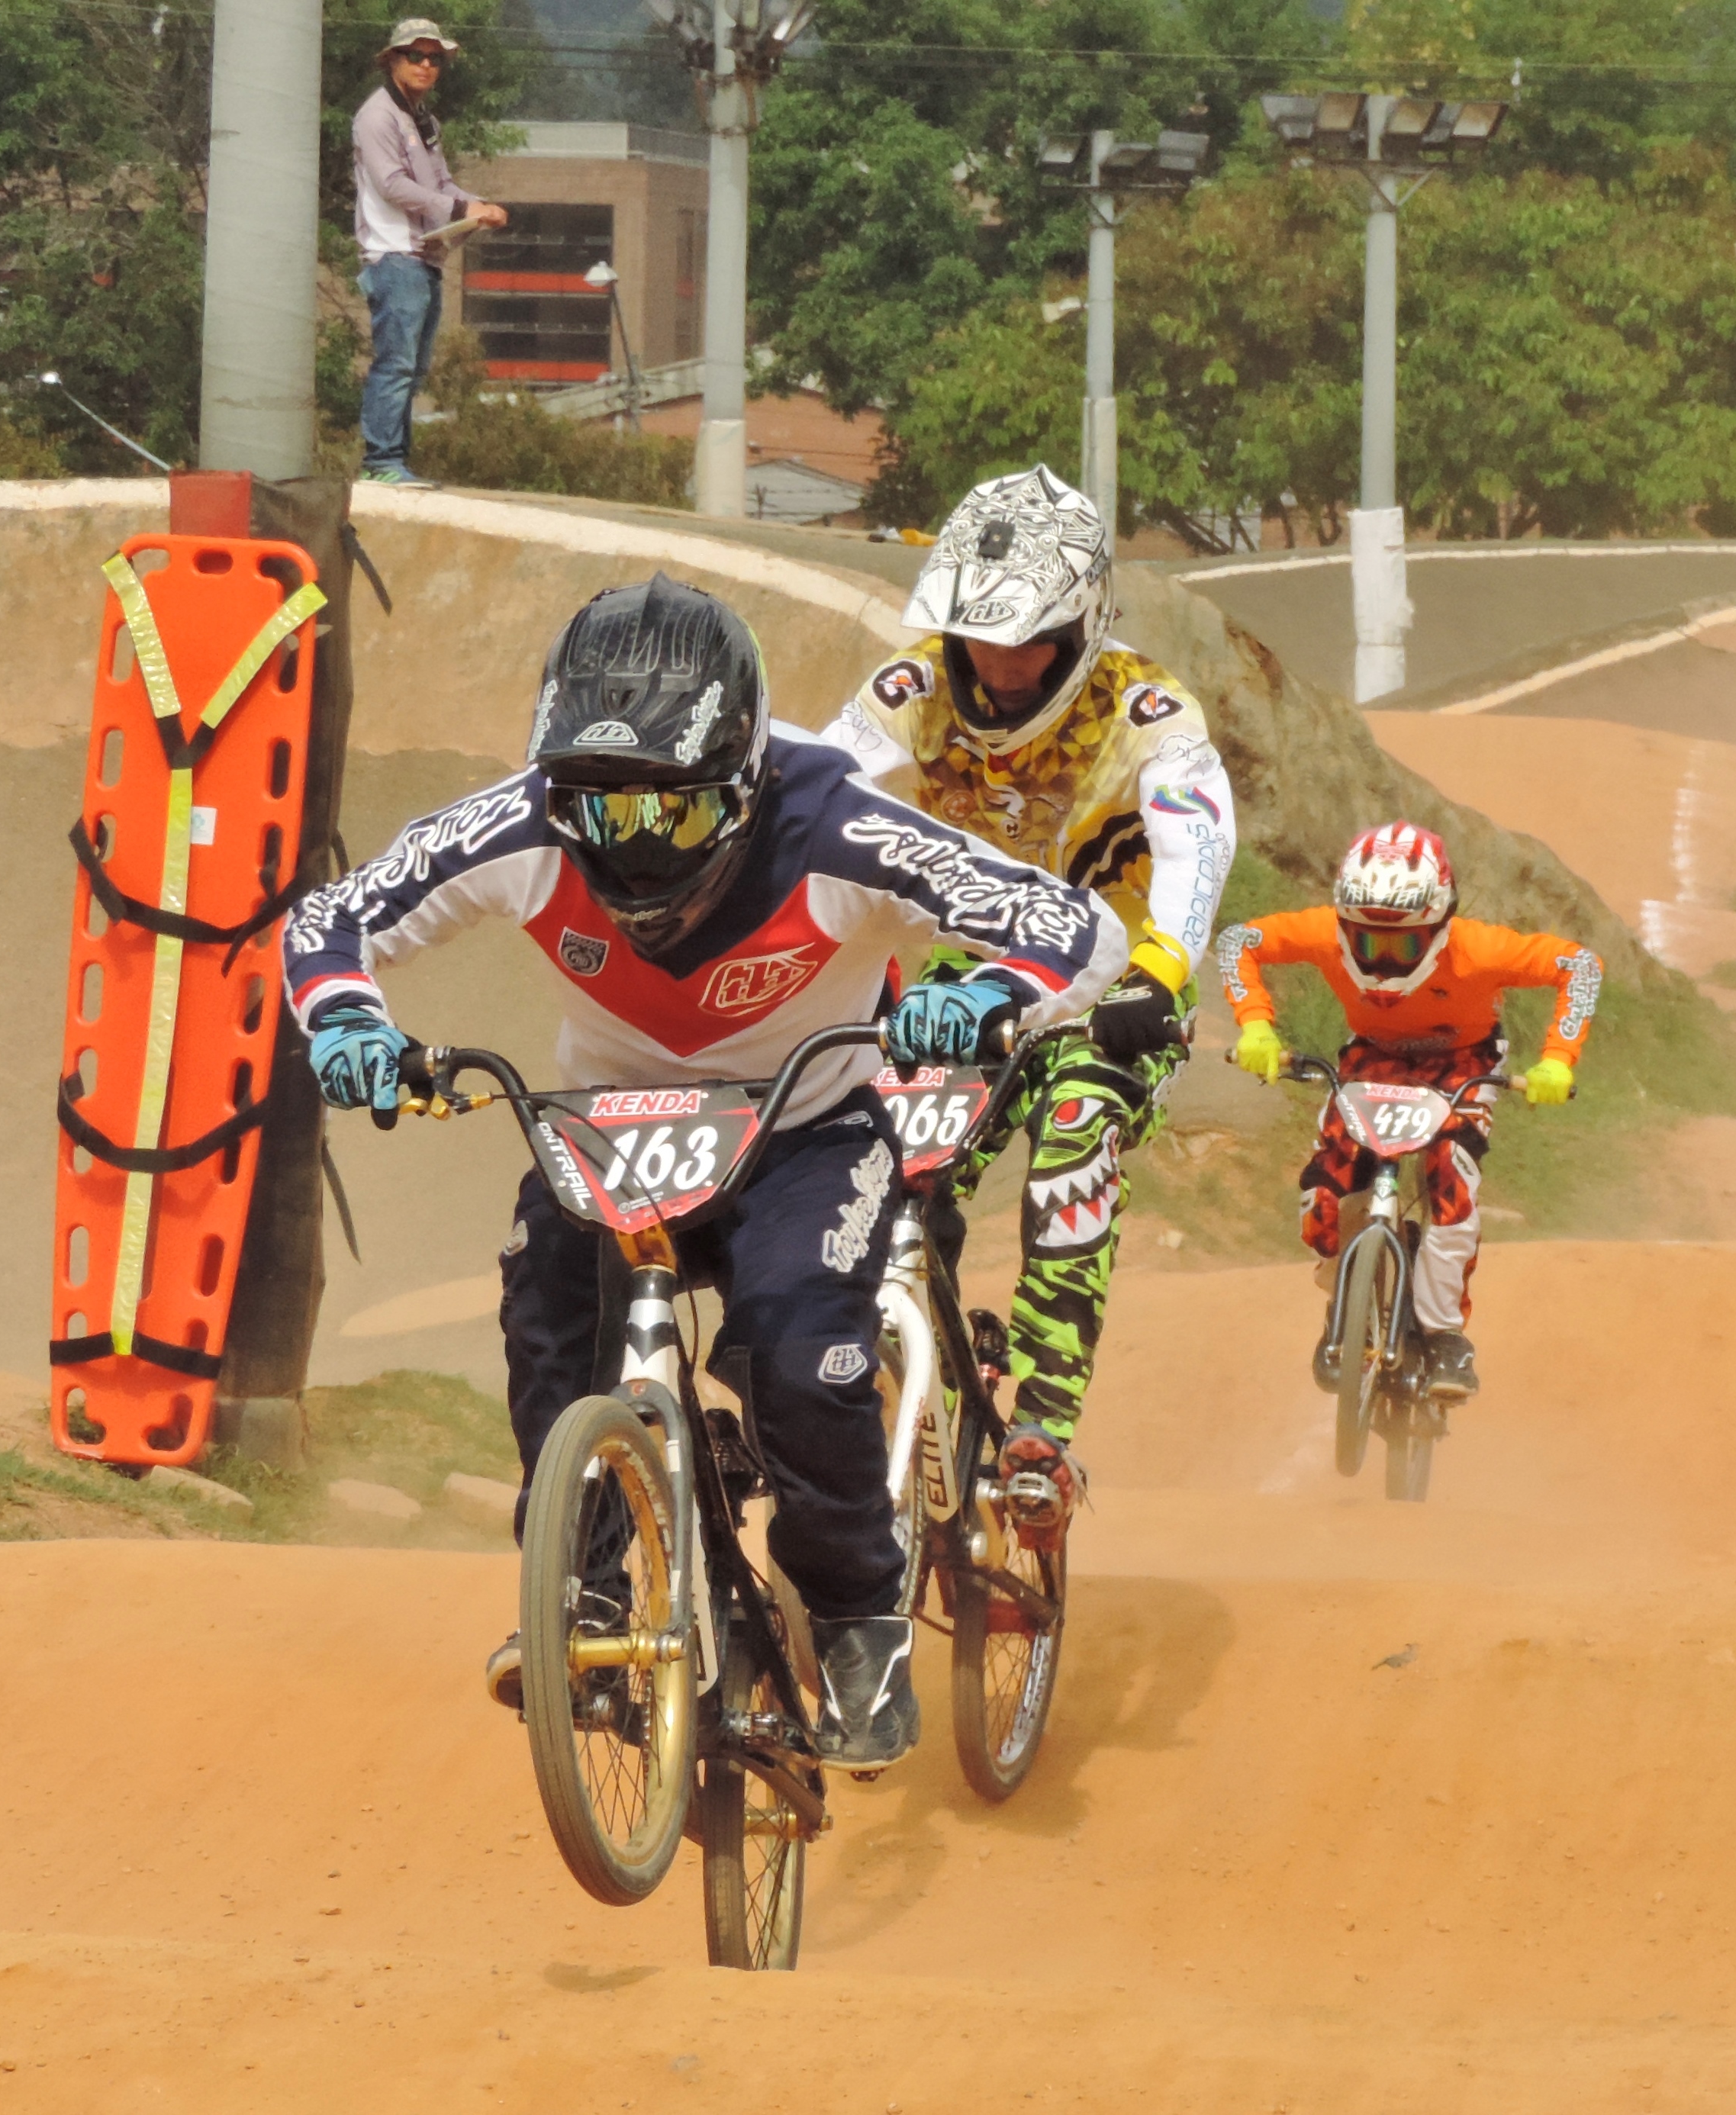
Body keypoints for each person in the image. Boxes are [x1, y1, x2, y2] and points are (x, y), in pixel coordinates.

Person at [280, 575, 1126, 1768]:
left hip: (806, 1128)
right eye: (596, 810)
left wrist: (987, 996)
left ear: (739, 783)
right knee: (545, 1324)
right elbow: (330, 922)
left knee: (799, 1355)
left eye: (667, 816)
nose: (628, 845)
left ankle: (855, 1626)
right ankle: (582, 1600)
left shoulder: (838, 823)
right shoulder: (522, 820)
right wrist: (351, 1026)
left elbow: (1070, 925)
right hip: (608, 1125)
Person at [817, 465, 1238, 1540]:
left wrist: (1167, 970)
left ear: (1084, 626)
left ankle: (1045, 1428)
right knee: (883, 1159)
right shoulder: (916, 686)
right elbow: (816, 787)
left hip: (1114, 991)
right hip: (976, 975)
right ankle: (912, 1377)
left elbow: (1196, 836)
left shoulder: (1148, 708)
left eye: (1029, 642)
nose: (1000, 668)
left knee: (1074, 1131)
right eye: (978, 639)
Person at [1216, 823, 1597, 1402]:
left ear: (1442, 925)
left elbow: (1580, 967)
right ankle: (1345, 1304)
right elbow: (1238, 941)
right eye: (1368, 944)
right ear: (1344, 925)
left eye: (1403, 944)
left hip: (1465, 1060)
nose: (1385, 960)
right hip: (1375, 1057)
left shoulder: (1479, 949)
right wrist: (1256, 1026)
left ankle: (1445, 1336)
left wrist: (1557, 1062)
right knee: (1324, 1197)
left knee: (1451, 1182)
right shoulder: (1320, 931)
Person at [352, 19, 506, 488]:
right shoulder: (377, 116)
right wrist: (462, 208)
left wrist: (477, 207)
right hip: (395, 255)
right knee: (395, 364)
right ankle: (381, 461)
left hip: (423, 256)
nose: (425, 65)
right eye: (415, 56)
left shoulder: (424, 120)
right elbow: (393, 185)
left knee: (413, 369)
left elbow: (439, 185)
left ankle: (394, 460)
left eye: (434, 58)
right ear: (393, 60)